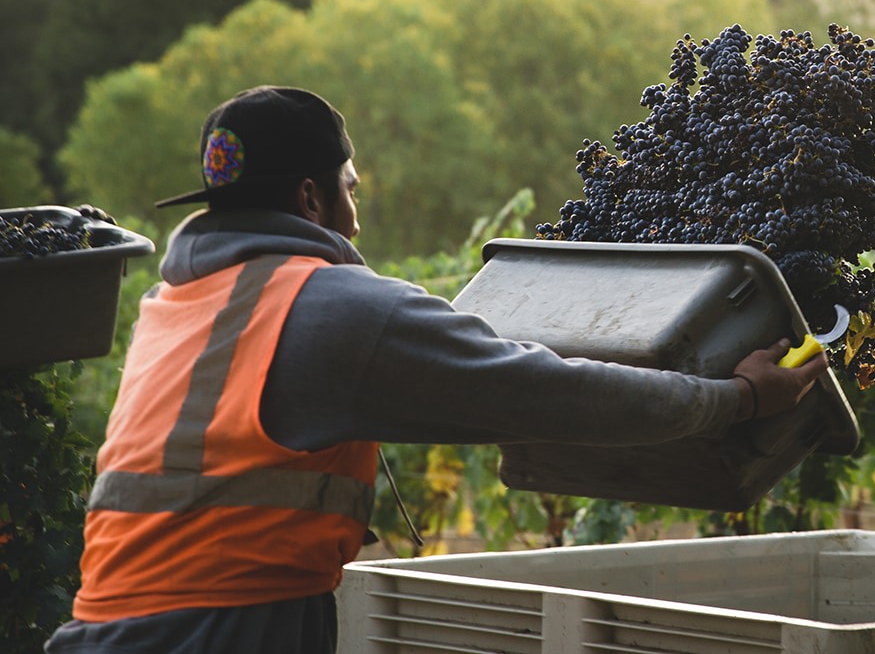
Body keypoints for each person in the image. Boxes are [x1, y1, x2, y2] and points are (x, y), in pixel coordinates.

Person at [46, 85, 828, 654]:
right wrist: (734, 398)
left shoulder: (177, 304)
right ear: (313, 198)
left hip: (107, 622)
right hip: (224, 627)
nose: (357, 211)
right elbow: (554, 397)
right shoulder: (330, 307)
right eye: (351, 189)